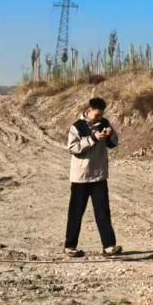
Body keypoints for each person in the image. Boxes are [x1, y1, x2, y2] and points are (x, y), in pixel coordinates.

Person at [64, 96, 122, 257]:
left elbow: (114, 143)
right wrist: (93, 139)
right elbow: (73, 148)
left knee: (103, 212)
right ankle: (69, 247)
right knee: (76, 213)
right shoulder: (77, 126)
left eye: (101, 114)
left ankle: (109, 247)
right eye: (97, 115)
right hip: (80, 178)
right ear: (88, 110)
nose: (99, 117)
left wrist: (110, 134)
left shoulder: (104, 123)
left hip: (99, 176)